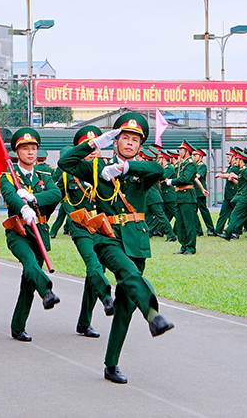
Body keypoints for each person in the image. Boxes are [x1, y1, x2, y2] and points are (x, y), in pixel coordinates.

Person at [59, 112, 173, 384]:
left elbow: (160, 170)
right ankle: (154, 315)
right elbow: (66, 162)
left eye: (135, 139)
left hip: (137, 240)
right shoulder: (98, 168)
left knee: (125, 306)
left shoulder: (141, 170)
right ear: (116, 140)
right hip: (108, 238)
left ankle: (111, 365)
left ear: (140, 145)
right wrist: (95, 142)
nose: (130, 143)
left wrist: (126, 169)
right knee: (128, 274)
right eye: (124, 137)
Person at [0, 127, 63, 342]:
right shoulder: (8, 175)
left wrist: (33, 198)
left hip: (40, 233)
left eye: (33, 148)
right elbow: (10, 195)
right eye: (25, 149)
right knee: (29, 262)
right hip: (19, 231)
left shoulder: (46, 174)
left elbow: (56, 193)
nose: (30, 152)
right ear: (16, 153)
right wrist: (23, 206)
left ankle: (18, 326)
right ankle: (47, 291)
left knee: (28, 281)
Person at [56, 126, 114, 339]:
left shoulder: (108, 169)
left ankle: (84, 322)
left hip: (103, 226)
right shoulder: (68, 171)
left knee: (94, 275)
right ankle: (108, 298)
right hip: (80, 226)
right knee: (93, 264)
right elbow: (56, 194)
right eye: (89, 147)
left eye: (97, 147)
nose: (93, 151)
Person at [168, 141, 198, 255]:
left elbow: (185, 179)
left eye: (181, 149)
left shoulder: (190, 163)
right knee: (180, 223)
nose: (179, 151)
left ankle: (191, 247)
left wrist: (172, 181)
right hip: (180, 195)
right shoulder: (183, 164)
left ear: (186, 151)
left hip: (187, 196)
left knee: (188, 223)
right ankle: (183, 245)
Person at [192, 148, 216, 236]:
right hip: (194, 191)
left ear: (200, 157)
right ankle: (198, 230)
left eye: (196, 156)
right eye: (193, 156)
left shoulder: (202, 166)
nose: (194, 157)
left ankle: (210, 228)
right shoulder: (194, 165)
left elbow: (197, 176)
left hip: (200, 192)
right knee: (193, 211)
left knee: (203, 211)